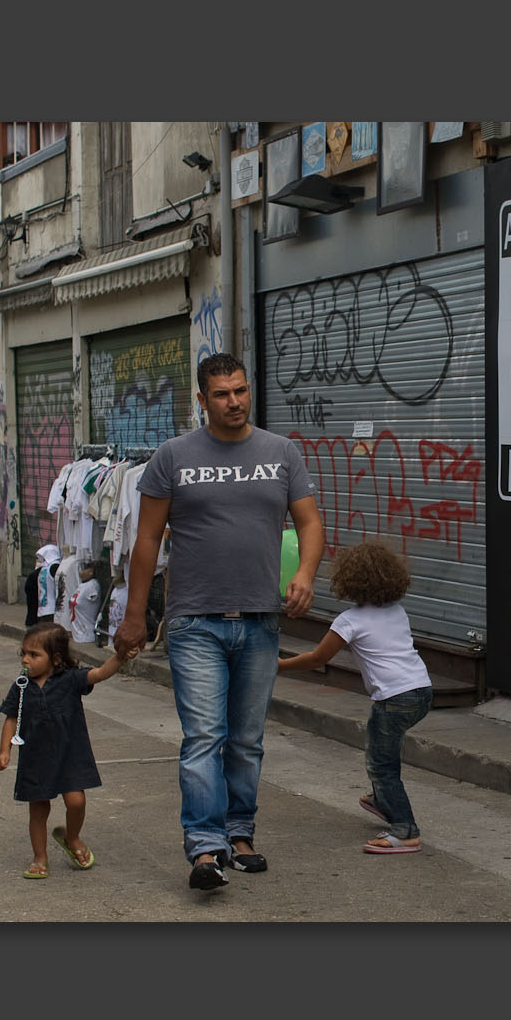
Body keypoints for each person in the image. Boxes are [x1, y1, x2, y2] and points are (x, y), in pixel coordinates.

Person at [112, 352, 324, 892]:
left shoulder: (281, 452)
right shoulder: (172, 457)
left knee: (247, 739)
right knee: (204, 736)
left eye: (241, 391)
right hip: (194, 621)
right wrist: (135, 616)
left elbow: (310, 522)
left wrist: (304, 572)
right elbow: (147, 540)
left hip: (260, 619)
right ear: (201, 400)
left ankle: (241, 834)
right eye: (222, 394)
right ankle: (206, 848)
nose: (234, 401)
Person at [278, 541, 434, 854]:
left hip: (393, 699)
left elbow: (317, 659)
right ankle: (381, 801)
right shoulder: (397, 610)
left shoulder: (350, 620)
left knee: (382, 765)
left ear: (348, 580)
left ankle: (405, 830)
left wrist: (278, 666)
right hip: (421, 691)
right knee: (381, 753)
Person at [0, 622, 125, 879]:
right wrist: (4, 751)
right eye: (23, 653)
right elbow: (11, 718)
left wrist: (120, 657)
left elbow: (98, 674)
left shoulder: (70, 680)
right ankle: (40, 857)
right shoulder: (21, 686)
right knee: (38, 809)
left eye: (34, 654)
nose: (25, 659)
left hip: (70, 754)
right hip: (36, 759)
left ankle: (72, 837)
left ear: (55, 659)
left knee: (76, 801)